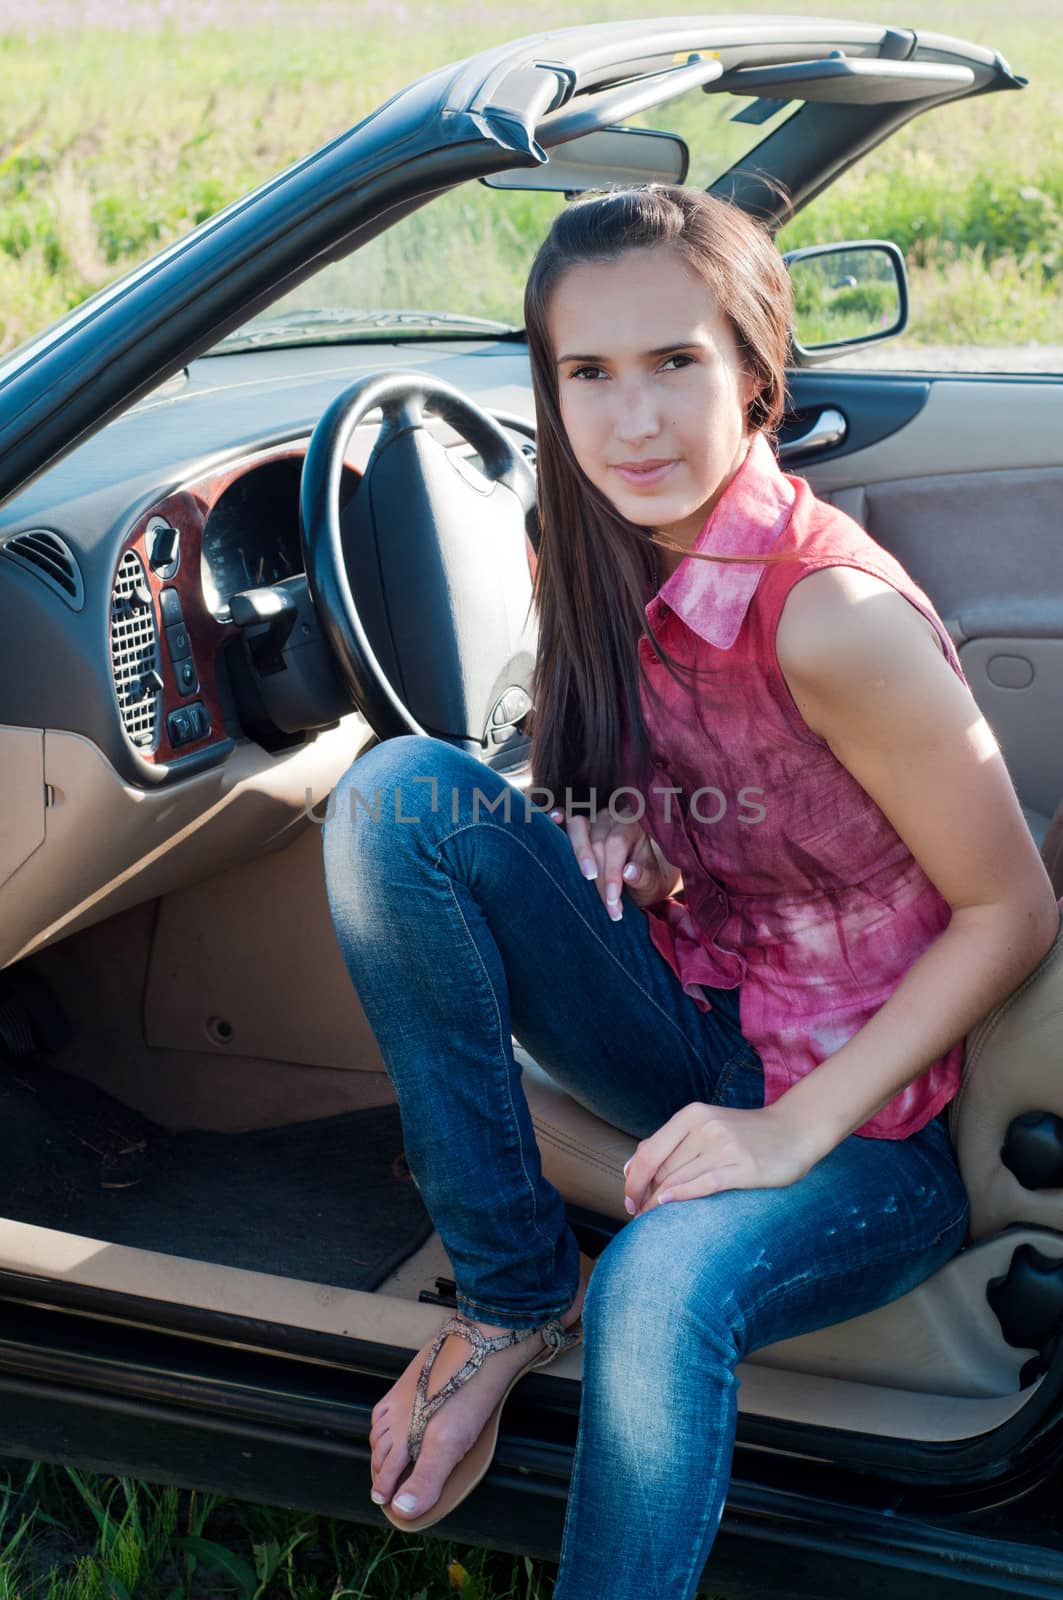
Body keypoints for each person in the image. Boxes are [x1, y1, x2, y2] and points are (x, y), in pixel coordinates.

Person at [322, 185, 1060, 1598]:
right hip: (695, 1006)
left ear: (757, 366)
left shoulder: (832, 615)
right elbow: (663, 795)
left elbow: (1012, 911)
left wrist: (788, 1131)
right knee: (394, 801)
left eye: (677, 363)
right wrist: (625, 836)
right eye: (587, 374)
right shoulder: (592, 547)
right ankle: (511, 1298)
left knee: (662, 1279)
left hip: (871, 1123)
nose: (633, 421)